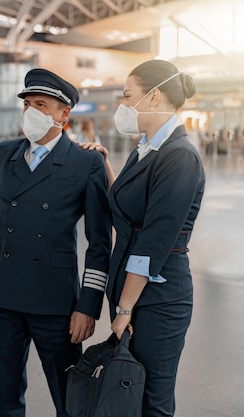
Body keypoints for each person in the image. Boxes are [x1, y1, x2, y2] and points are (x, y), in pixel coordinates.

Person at [0, 68, 112, 417]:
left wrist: (88, 305)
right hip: (5, 296)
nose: (30, 111)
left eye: (41, 105)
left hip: (57, 303)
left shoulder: (86, 162)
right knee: (8, 391)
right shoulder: (3, 154)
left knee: (68, 396)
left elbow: (99, 244)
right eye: (27, 104)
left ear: (64, 114)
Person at [85, 59, 205, 417]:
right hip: (130, 291)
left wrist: (125, 309)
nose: (123, 106)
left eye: (127, 96)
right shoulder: (146, 149)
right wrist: (106, 164)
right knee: (127, 393)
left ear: (153, 97)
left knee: (152, 396)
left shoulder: (180, 157)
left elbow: (153, 242)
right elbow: (126, 209)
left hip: (158, 300)